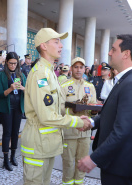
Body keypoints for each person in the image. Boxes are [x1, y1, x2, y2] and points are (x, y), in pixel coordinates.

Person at [21, 28, 91, 185]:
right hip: (37, 145)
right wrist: (78, 122)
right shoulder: (40, 74)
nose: (61, 45)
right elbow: (46, 116)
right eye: (56, 41)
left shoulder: (50, 72)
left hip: (47, 145)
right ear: (44, 46)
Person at [78, 34, 132, 185]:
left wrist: (94, 158)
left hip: (119, 167)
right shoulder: (123, 79)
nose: (109, 53)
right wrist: (92, 122)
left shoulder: (129, 83)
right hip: (113, 164)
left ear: (126, 54)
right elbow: (112, 113)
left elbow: (123, 130)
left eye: (113, 49)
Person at [61, 57, 97, 185]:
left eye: (81, 67)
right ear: (71, 69)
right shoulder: (64, 86)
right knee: (68, 163)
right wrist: (72, 111)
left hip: (85, 132)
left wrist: (94, 111)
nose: (78, 70)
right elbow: (59, 110)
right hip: (69, 132)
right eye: (75, 67)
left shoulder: (90, 86)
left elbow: (93, 106)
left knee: (81, 163)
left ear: (84, 69)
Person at [0, 52, 26, 171]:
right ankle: (5, 159)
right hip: (7, 108)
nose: (13, 66)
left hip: (18, 107)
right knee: (7, 133)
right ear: (6, 63)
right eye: (10, 63)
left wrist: (23, 88)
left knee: (15, 133)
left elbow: (28, 90)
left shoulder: (21, 75)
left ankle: (13, 156)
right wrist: (10, 89)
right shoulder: (1, 75)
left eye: (15, 63)